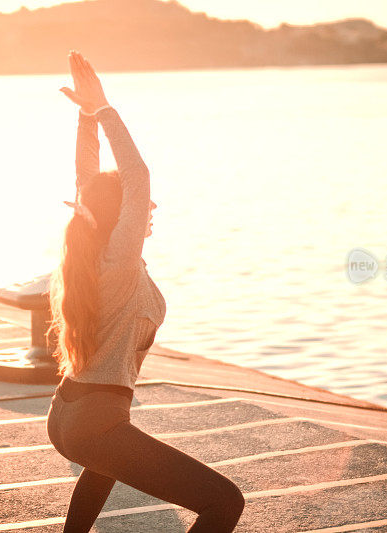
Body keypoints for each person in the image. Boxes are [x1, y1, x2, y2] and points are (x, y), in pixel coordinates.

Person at [45, 50, 245, 532]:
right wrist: (104, 110)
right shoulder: (117, 259)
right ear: (122, 219)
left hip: (68, 416)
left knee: (106, 465)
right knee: (225, 503)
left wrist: (86, 116)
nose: (150, 206)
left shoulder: (91, 247)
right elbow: (137, 177)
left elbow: (88, 178)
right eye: (139, 207)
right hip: (94, 421)